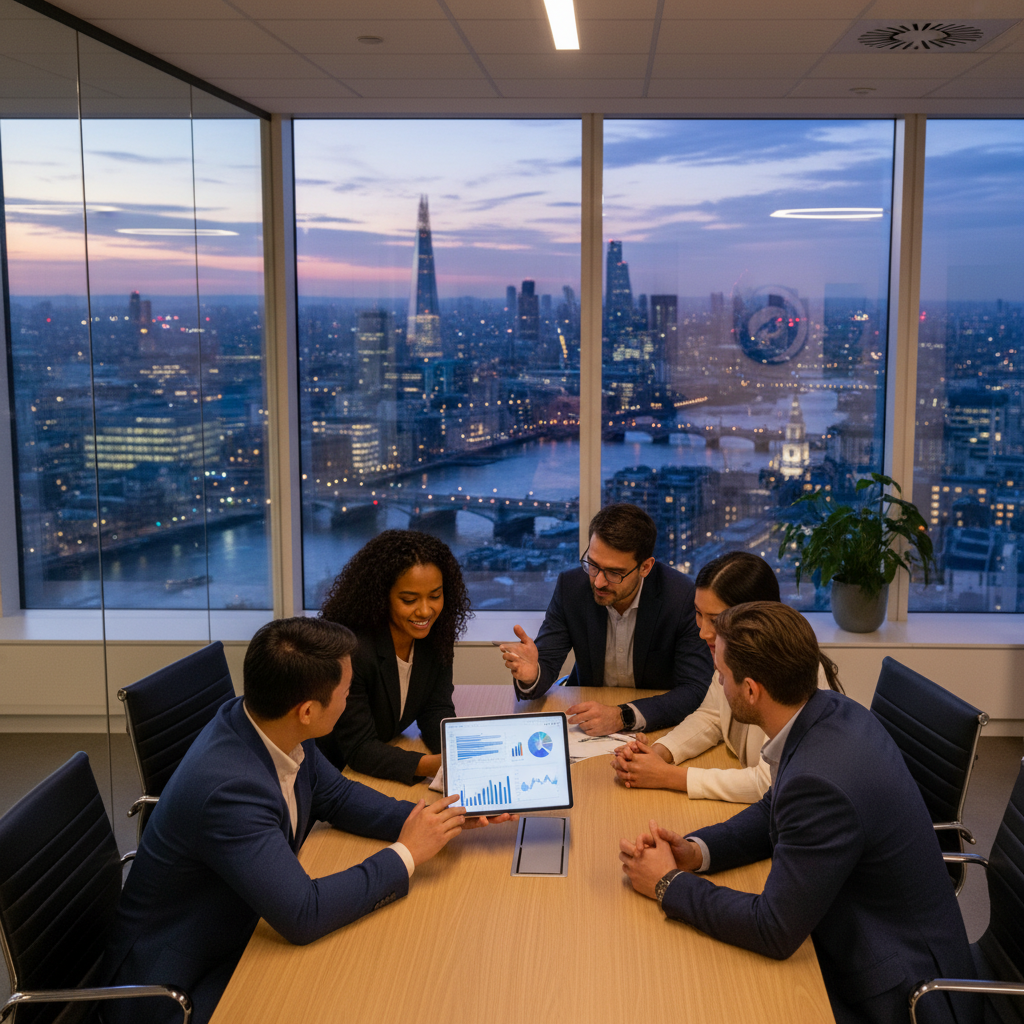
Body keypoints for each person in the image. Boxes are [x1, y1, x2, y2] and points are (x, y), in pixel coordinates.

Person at [102, 617, 510, 1024]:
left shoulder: (267, 724)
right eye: (346, 693)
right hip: (180, 987)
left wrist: (434, 819)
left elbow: (336, 795)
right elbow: (303, 914)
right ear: (308, 710)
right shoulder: (228, 791)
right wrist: (407, 853)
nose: (350, 701)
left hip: (244, 922)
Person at [618, 602, 978, 1024]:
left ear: (751, 690)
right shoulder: (828, 710)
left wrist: (668, 884)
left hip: (897, 992)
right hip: (863, 927)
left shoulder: (820, 780)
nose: (718, 682)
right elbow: (775, 806)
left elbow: (773, 929)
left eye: (722, 676)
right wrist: (696, 852)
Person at [611, 551, 842, 802]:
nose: (703, 632)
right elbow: (712, 716)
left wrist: (668, 776)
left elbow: (769, 783)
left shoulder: (795, 674)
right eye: (698, 614)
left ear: (757, 616)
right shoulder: (735, 654)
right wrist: (659, 753)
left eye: (716, 620)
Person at [499, 503, 713, 736]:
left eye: (614, 573)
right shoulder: (571, 588)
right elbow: (546, 663)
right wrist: (532, 676)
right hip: (586, 720)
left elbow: (694, 689)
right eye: (593, 565)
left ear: (645, 567)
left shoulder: (681, 598)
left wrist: (623, 716)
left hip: (654, 723)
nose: (598, 582)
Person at [317, 530, 470, 784]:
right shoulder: (353, 651)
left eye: (435, 596)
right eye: (409, 599)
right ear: (380, 596)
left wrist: (458, 753)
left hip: (375, 768)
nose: (425, 610)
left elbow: (436, 709)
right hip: (333, 776)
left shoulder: (435, 636)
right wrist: (430, 765)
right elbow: (359, 748)